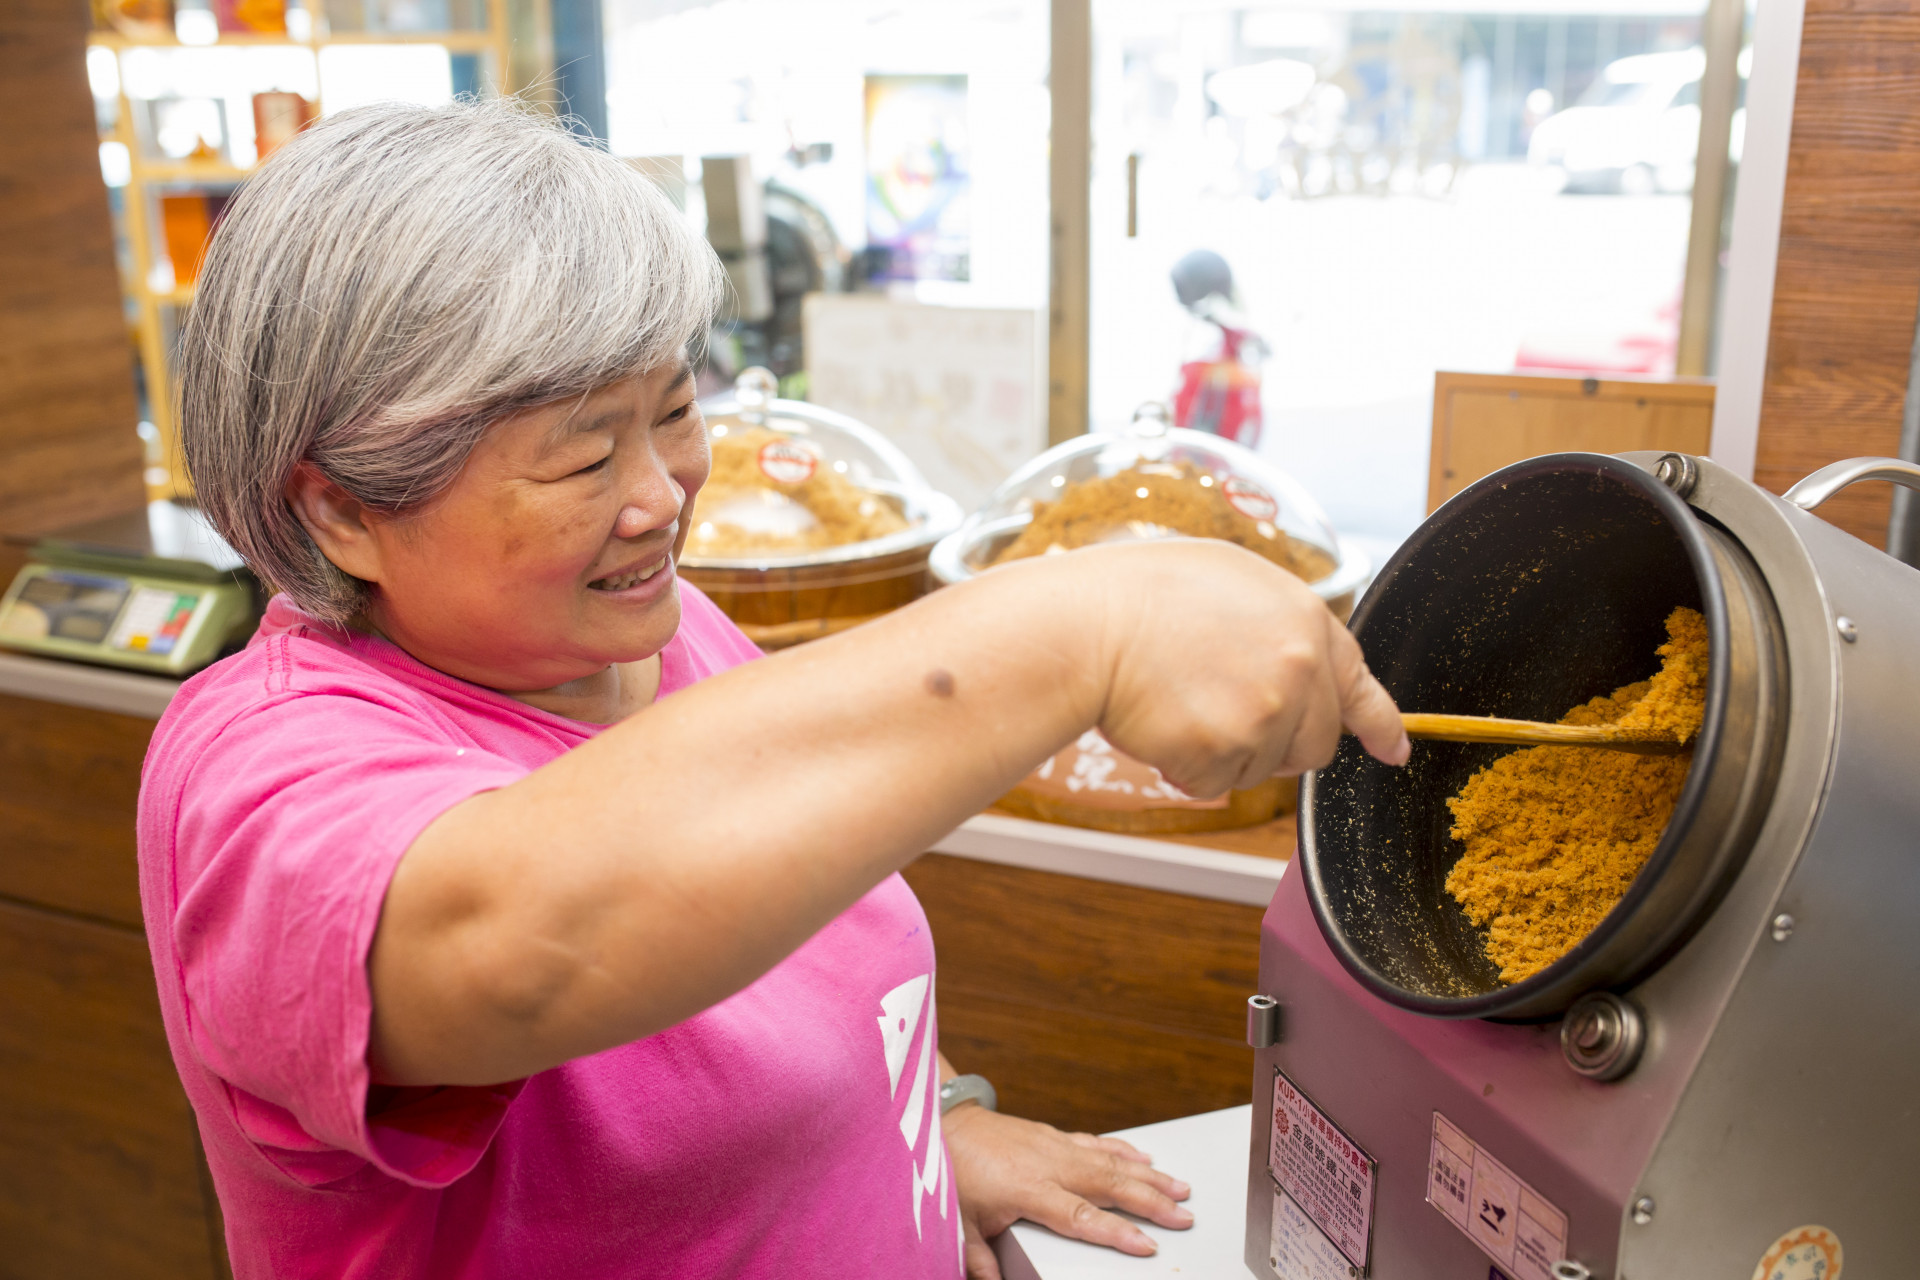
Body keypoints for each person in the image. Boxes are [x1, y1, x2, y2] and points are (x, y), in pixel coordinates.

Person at [139, 99, 1409, 1280]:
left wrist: (938, 1118)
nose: (664, 494)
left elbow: (799, 926)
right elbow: (519, 943)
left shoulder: (657, 629)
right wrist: (1085, 623)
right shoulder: (262, 775)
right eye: (584, 454)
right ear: (345, 509)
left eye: (676, 408)